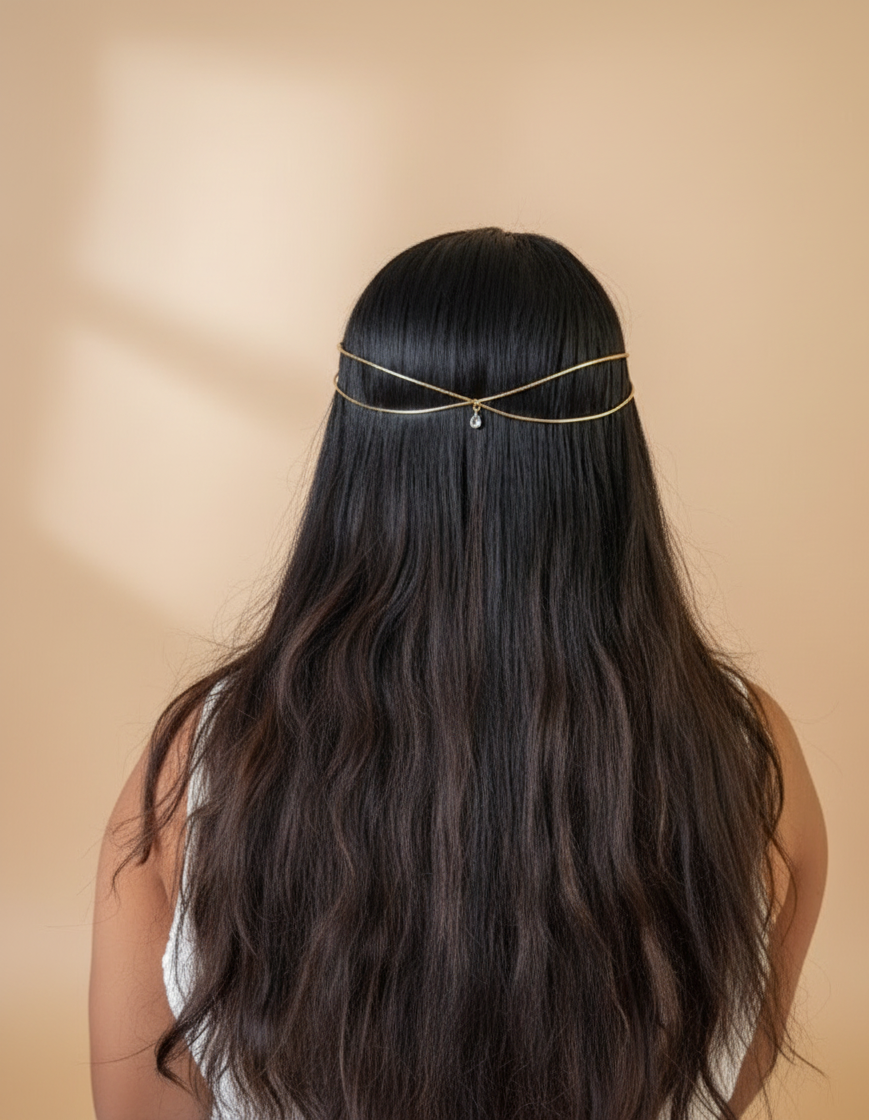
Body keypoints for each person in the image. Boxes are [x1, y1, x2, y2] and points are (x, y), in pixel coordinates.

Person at [89, 228, 827, 1120]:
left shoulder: (192, 764)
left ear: (354, 450)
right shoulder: (753, 759)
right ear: (610, 451)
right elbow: (722, 1082)